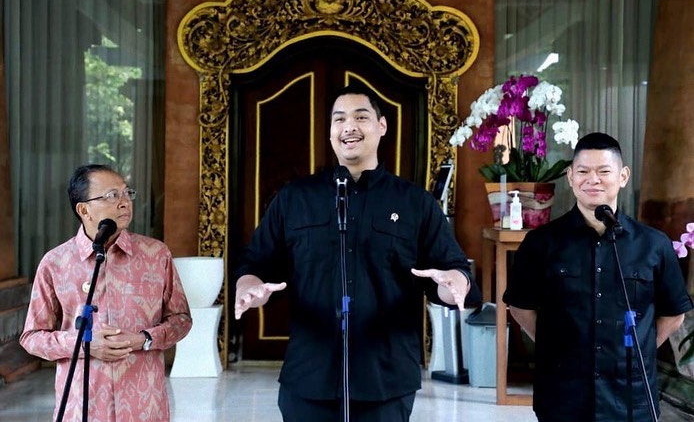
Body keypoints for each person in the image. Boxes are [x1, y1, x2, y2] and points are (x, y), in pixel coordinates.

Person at [234, 84, 479, 421]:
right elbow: (255, 264)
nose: (349, 126)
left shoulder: (414, 202)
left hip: (385, 377)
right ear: (332, 132)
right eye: (339, 119)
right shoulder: (295, 199)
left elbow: (452, 270)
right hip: (310, 374)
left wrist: (453, 284)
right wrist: (249, 289)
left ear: (381, 126)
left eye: (360, 117)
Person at [503, 132, 693, 422]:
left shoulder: (654, 244)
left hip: (631, 396)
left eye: (604, 171)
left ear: (623, 176)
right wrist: (556, 345)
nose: (593, 179)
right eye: (583, 171)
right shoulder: (541, 243)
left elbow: (674, 313)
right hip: (563, 393)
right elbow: (520, 305)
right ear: (570, 177)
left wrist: (636, 350)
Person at [20, 164, 192, 421]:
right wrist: (84, 345)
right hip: (83, 407)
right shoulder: (56, 263)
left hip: (144, 407)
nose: (124, 203)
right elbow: (32, 337)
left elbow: (181, 319)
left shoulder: (156, 255)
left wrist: (145, 338)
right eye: (112, 196)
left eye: (126, 193)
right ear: (84, 209)